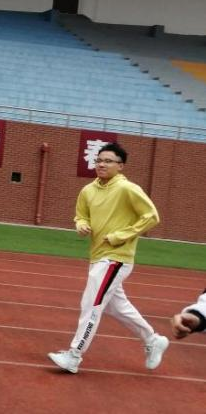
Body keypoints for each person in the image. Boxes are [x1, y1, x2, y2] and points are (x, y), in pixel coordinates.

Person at [48, 142, 169, 373]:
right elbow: (81, 215)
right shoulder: (88, 190)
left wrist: (120, 236)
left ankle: (74, 356)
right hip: (97, 256)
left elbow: (151, 216)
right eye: (99, 160)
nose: (102, 164)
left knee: (91, 304)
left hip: (116, 258)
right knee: (117, 307)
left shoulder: (127, 189)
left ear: (120, 166)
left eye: (108, 161)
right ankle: (153, 340)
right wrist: (81, 225)